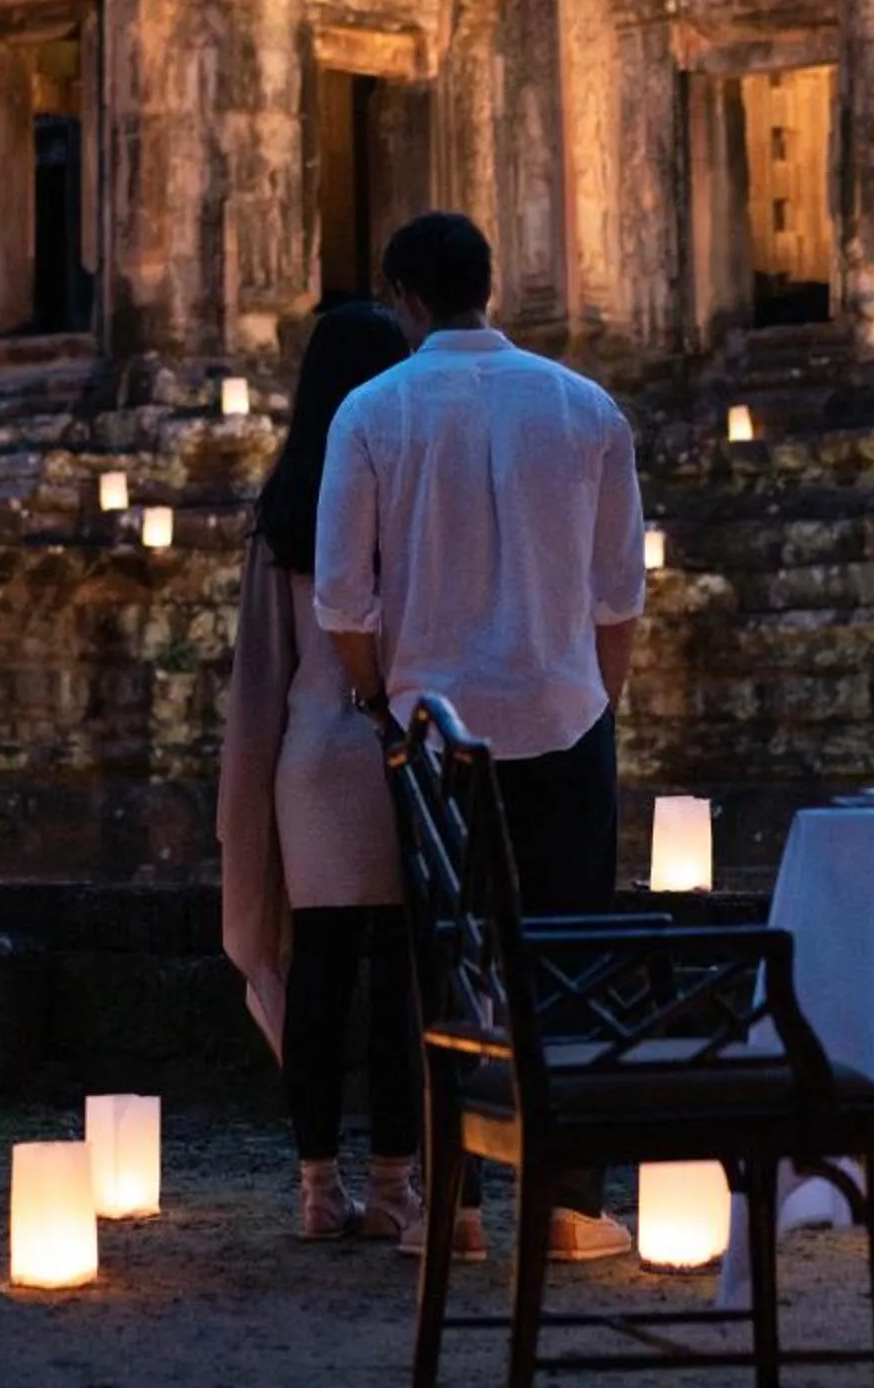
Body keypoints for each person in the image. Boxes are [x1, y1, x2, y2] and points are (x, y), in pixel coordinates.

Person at [314, 209, 648, 1264]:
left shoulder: (371, 410)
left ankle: (450, 1206)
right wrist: (601, 696)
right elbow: (619, 592)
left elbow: (345, 602)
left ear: (404, 297)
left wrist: (377, 705)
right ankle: (569, 1201)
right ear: (487, 286)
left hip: (433, 728)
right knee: (572, 957)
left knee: (440, 962)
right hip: (563, 711)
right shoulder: (584, 405)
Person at [218, 300, 424, 1242]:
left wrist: (248, 790)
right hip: (400, 744)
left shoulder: (289, 499)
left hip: (310, 754)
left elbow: (261, 674)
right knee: (401, 977)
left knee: (321, 974)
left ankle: (315, 1186)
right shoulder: (410, 489)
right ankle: (391, 1183)